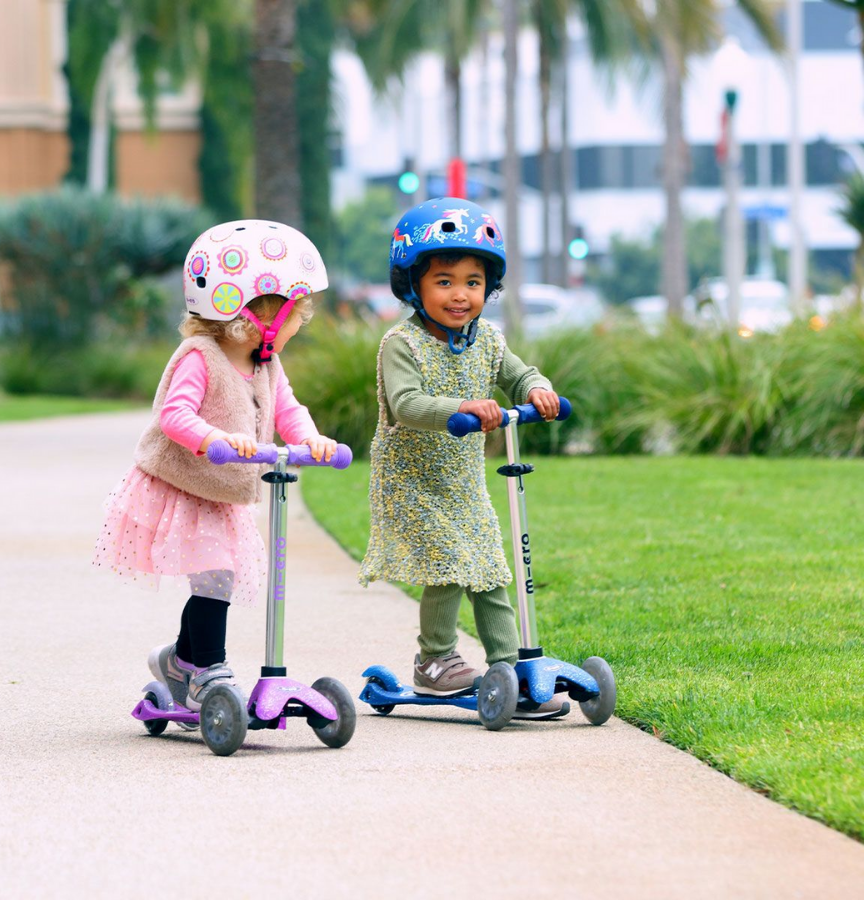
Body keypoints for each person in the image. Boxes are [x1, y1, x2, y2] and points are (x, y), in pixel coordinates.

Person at [93, 220, 337, 712]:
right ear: (254, 313)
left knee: (216, 576)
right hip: (182, 484)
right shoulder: (199, 356)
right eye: (293, 318)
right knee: (216, 576)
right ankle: (207, 669)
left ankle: (180, 662)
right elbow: (174, 415)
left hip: (222, 492)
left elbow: (287, 409)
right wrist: (215, 439)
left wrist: (310, 440)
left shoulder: (266, 363)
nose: (296, 328)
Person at [359, 198, 568, 720]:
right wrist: (460, 407)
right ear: (413, 285)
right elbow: (406, 404)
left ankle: (509, 667)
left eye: (473, 282)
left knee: (491, 570)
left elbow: (520, 375)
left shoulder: (489, 341)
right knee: (451, 562)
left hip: (462, 481)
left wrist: (538, 388)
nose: (460, 295)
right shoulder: (400, 343)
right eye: (445, 281)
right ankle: (434, 662)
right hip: (410, 478)